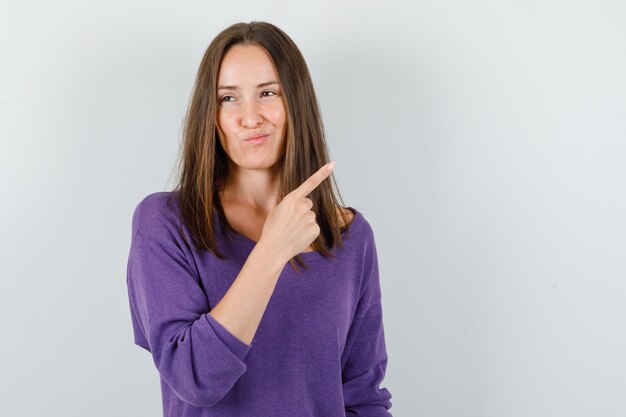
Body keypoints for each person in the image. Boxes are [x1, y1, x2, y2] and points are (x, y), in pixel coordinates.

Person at [125, 21, 393, 416]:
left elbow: (362, 396)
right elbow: (193, 377)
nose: (250, 118)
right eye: (228, 98)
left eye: (268, 93)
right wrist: (271, 251)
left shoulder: (349, 236)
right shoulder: (165, 223)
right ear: (210, 114)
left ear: (295, 105)